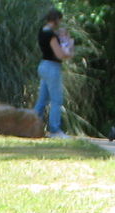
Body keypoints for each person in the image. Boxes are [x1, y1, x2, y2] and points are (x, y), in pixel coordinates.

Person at [33, 9, 73, 138]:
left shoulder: (42, 31)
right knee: (56, 100)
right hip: (52, 67)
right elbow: (59, 54)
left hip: (43, 66)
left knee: (42, 100)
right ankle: (55, 130)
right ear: (56, 20)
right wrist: (70, 51)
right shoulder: (51, 35)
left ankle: (30, 124)